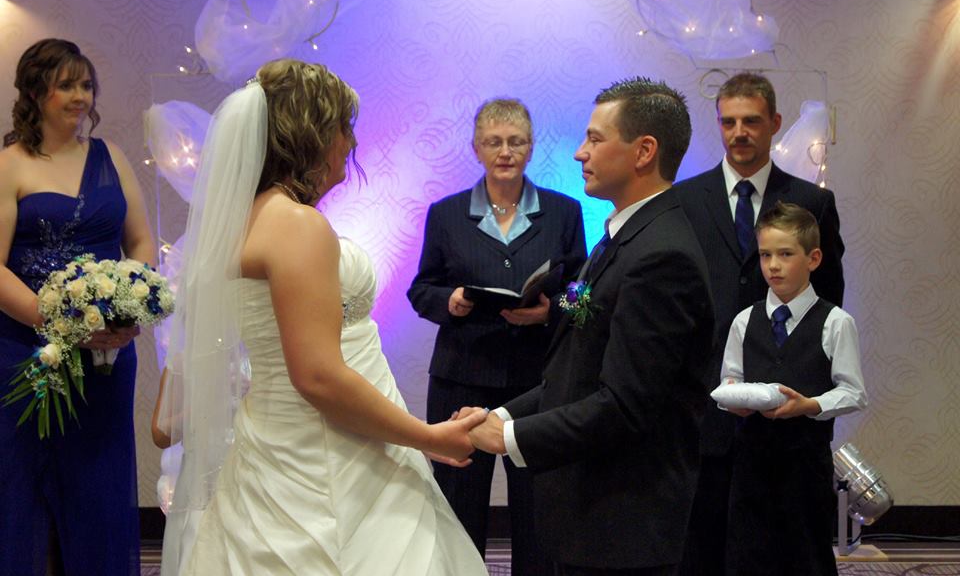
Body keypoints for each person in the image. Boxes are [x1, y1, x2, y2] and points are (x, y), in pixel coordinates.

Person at [156, 59, 488, 576]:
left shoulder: (243, 220)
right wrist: (429, 438)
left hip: (274, 444)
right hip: (332, 452)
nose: (351, 143)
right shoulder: (295, 225)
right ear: (312, 133)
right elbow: (317, 376)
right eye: (344, 127)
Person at [468, 77, 715, 575]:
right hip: (587, 513)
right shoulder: (621, 237)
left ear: (644, 151)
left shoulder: (662, 256)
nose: (580, 152)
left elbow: (624, 405)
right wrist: (499, 414)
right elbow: (575, 358)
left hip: (623, 521)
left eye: (595, 139)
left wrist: (508, 437)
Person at [673, 72, 845, 576]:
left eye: (750, 121)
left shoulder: (812, 202)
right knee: (703, 551)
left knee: (792, 554)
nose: (739, 133)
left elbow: (828, 301)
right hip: (707, 406)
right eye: (728, 122)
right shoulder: (686, 199)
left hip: (788, 414)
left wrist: (809, 397)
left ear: (774, 122)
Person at [407, 97, 586, 574]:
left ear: (531, 147)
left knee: (536, 507)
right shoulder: (446, 214)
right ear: (476, 148)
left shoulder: (564, 211)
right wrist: (449, 301)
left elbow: (584, 293)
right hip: (461, 379)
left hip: (538, 381)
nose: (505, 152)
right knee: (458, 504)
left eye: (515, 142)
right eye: (494, 142)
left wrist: (551, 312)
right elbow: (421, 289)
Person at [0, 38, 155, 576]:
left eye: (86, 85)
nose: (80, 96)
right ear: (35, 92)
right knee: (25, 486)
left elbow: (140, 242)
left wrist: (128, 308)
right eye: (66, 85)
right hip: (26, 351)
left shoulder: (112, 158)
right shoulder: (11, 164)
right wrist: (63, 324)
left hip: (107, 354)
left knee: (99, 485)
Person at [720, 201, 866, 576]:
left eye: (785, 254)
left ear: (813, 259)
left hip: (805, 465)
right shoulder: (744, 321)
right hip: (751, 462)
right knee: (747, 555)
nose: (773, 265)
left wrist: (810, 405)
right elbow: (729, 379)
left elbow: (853, 392)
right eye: (765, 254)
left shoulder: (835, 322)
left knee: (806, 556)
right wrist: (733, 399)